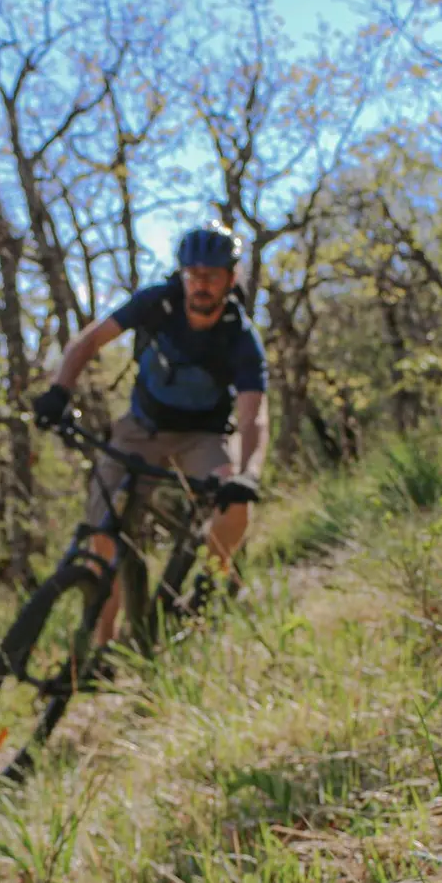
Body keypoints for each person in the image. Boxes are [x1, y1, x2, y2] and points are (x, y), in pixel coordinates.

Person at [30, 221, 271, 648]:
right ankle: (103, 647)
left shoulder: (240, 337)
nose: (200, 284)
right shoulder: (156, 304)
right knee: (102, 530)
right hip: (140, 430)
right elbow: (86, 343)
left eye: (211, 276)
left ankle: (211, 579)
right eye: (193, 274)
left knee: (234, 503)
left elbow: (253, 415)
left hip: (203, 435)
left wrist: (247, 472)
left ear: (230, 280)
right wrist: (58, 392)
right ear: (181, 273)